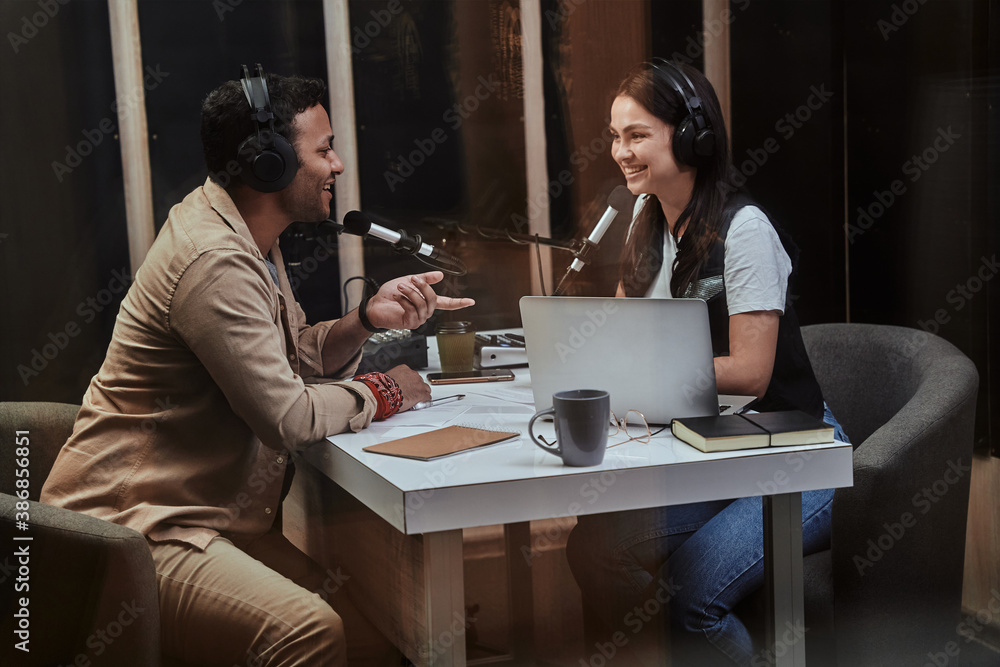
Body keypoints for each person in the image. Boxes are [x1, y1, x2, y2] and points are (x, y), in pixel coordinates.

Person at [40, 69, 474, 666]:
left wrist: (368, 319)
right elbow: (289, 415)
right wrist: (385, 390)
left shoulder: (249, 236)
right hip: (133, 532)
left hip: (199, 520)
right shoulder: (215, 260)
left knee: (375, 637)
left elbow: (292, 358)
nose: (339, 165)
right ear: (269, 164)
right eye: (323, 150)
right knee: (310, 632)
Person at [565, 59, 849, 666]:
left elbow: (750, 373)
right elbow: (624, 334)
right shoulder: (646, 220)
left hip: (794, 458)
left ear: (692, 135)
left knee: (689, 596)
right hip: (707, 448)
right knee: (593, 548)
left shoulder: (744, 230)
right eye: (615, 136)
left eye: (637, 135)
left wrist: (639, 375)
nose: (620, 151)